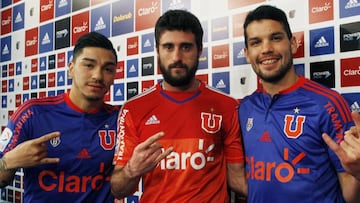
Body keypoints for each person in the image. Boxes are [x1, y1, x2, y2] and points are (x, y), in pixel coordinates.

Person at [110, 9, 247, 202]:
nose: (176, 57)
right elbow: (119, 189)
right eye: (168, 47)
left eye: (186, 47)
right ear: (157, 50)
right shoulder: (134, 109)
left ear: (199, 50)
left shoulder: (226, 105)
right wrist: (132, 170)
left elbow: (237, 179)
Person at [239, 5, 360, 203]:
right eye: (256, 42)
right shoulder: (245, 108)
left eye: (276, 38)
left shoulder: (328, 103)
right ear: (247, 53)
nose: (266, 49)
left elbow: (350, 192)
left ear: (293, 43)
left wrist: (359, 174)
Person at [0, 32, 119, 203]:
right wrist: (10, 161)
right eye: (89, 65)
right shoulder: (32, 113)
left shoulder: (120, 119)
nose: (98, 76)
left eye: (108, 69)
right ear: (71, 69)